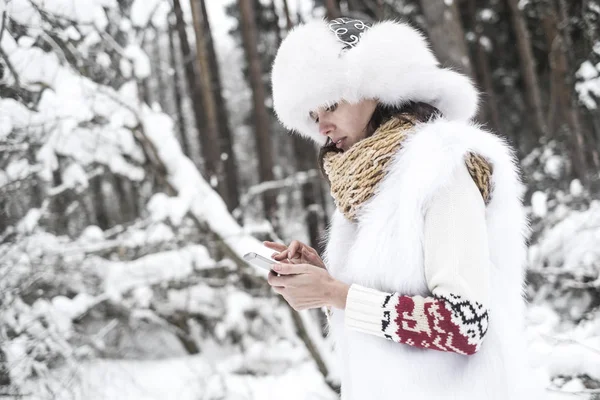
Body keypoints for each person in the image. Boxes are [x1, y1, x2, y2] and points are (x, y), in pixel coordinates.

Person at [265, 17, 542, 400]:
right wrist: (322, 279)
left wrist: (335, 293)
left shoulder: (439, 166)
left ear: (376, 87)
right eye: (313, 116)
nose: (323, 127)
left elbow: (465, 324)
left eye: (329, 105)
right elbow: (378, 326)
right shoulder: (363, 184)